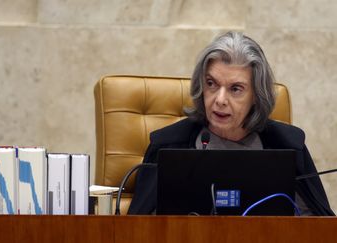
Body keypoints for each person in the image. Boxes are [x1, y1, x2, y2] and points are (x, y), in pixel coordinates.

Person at [127, 31, 335, 216]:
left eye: (235, 88)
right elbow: (140, 229)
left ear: (256, 95)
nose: (219, 99)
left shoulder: (288, 146)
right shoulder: (167, 145)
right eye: (211, 84)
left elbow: (317, 226)